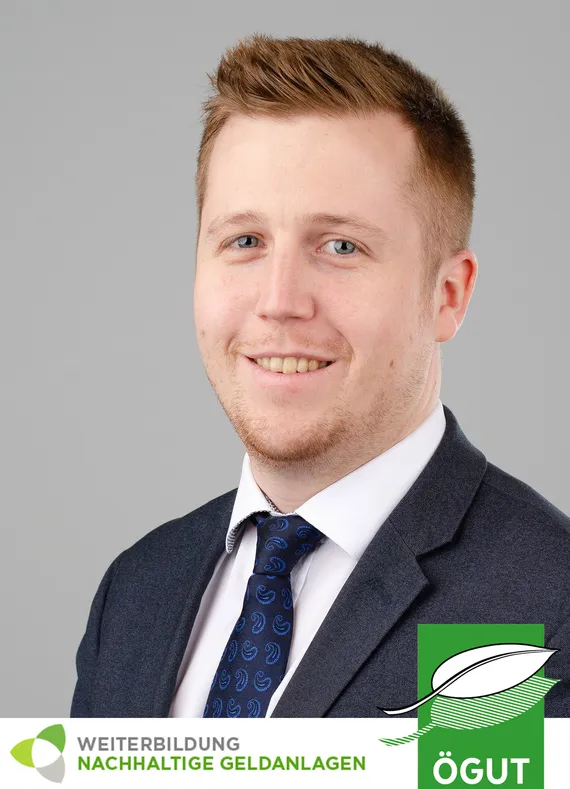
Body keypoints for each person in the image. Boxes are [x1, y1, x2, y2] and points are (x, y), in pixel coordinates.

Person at [70, 33, 570, 719]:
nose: (279, 301)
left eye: (341, 246)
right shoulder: (136, 591)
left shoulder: (543, 606)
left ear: (447, 296)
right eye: (245, 241)